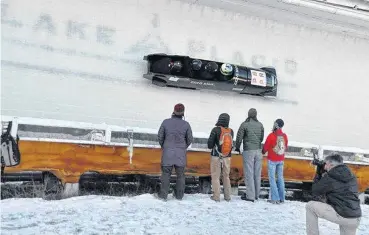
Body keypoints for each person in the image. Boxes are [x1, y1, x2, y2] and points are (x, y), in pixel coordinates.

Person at [305, 154, 362, 235]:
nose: (324, 166)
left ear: (331, 164)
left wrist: (318, 172)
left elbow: (315, 191)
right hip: (355, 217)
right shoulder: (351, 174)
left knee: (310, 206)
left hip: (342, 215)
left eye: (326, 164)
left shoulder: (331, 176)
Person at [157, 103, 193, 201]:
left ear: (174, 111)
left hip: (168, 153)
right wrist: (183, 147)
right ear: (183, 112)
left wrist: (165, 146)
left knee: (166, 174)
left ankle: (163, 195)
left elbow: (160, 136)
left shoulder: (165, 122)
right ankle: (179, 196)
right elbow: (190, 139)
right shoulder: (186, 124)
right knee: (181, 175)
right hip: (180, 153)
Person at [235, 108, 264, 202]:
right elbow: (261, 138)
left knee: (249, 173)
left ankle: (250, 196)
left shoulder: (245, 124)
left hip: (249, 151)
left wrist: (237, 147)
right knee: (257, 173)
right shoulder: (260, 124)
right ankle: (256, 194)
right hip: (258, 151)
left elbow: (239, 137)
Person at [207, 113, 234, 202]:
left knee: (215, 176)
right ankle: (227, 196)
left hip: (216, 156)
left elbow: (210, 145)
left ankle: (216, 196)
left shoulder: (215, 130)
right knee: (226, 176)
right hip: (227, 157)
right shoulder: (231, 131)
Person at [262, 118, 288, 204]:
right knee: (280, 178)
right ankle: (282, 198)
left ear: (276, 125)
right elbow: (285, 147)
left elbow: (265, 148)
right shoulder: (284, 136)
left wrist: (263, 152)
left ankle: (275, 199)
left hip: (272, 160)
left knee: (272, 179)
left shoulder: (271, 136)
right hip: (281, 159)